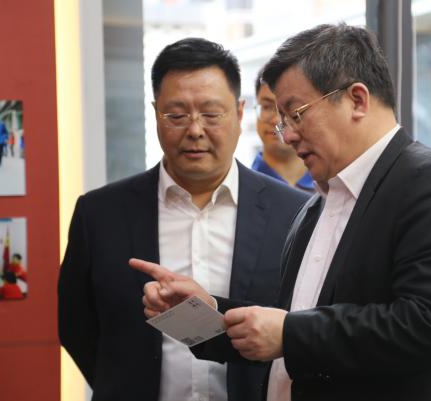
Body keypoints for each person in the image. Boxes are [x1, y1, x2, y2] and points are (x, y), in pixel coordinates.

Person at [133, 23, 431, 401]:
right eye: (282, 120)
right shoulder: (317, 205)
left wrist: (289, 334)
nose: (287, 135)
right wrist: (206, 313)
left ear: (357, 100)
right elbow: (295, 321)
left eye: (296, 114)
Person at [58, 38, 309, 401]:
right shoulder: (99, 215)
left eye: (211, 114)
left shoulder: (295, 213)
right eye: (176, 115)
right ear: (155, 113)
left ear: (239, 113)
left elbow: (304, 326)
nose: (194, 130)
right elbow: (76, 326)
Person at [252, 68, 314, 192]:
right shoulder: (239, 189)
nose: (277, 120)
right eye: (267, 107)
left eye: (290, 107)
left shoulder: (333, 185)